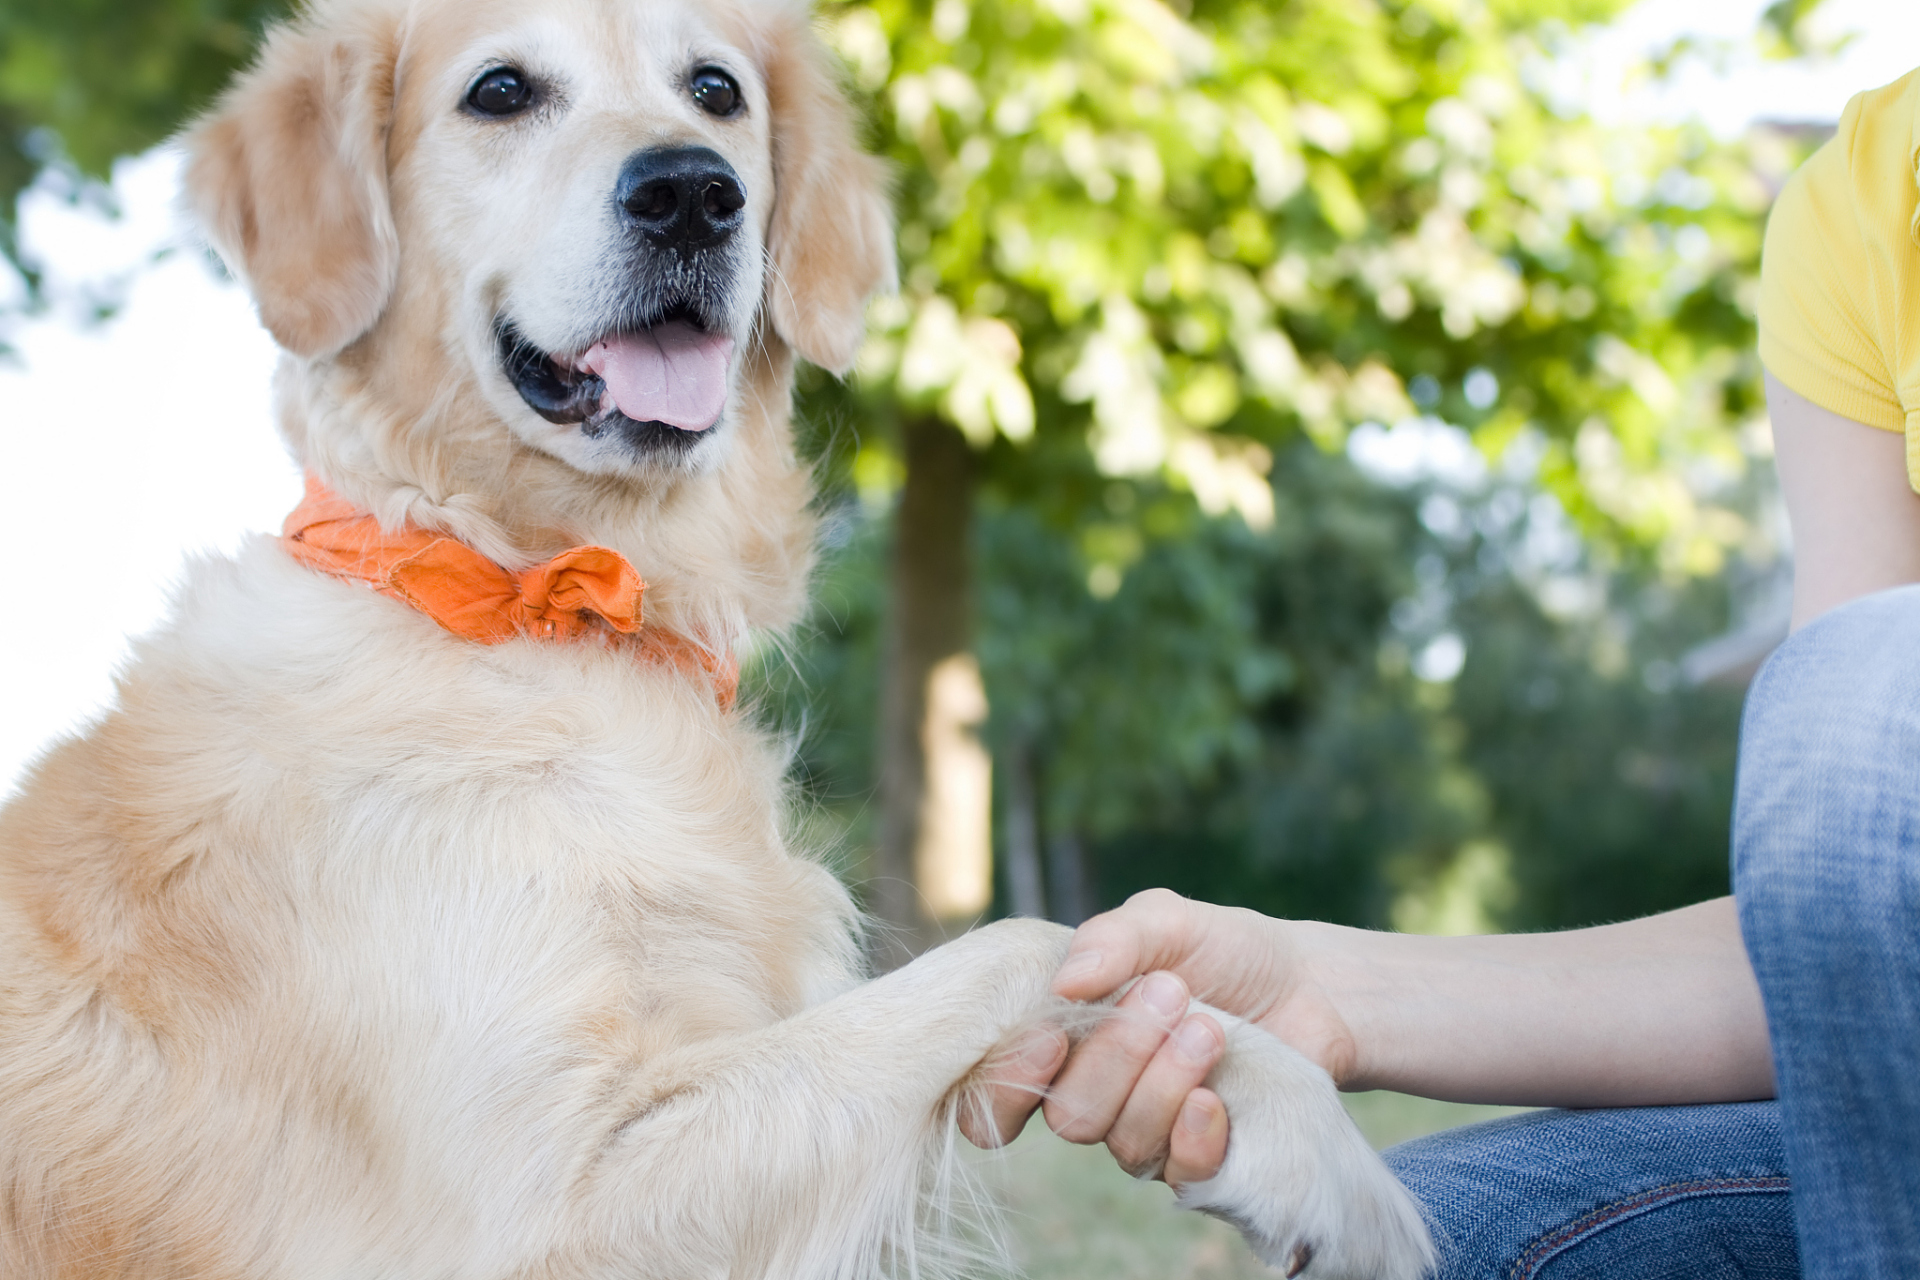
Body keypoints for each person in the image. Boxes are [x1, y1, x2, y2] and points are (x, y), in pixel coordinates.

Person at [965, 68, 1920, 1280]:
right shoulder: (1869, 198)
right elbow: (1850, 938)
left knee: (1861, 687)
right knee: (1426, 1241)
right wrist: (1319, 986)